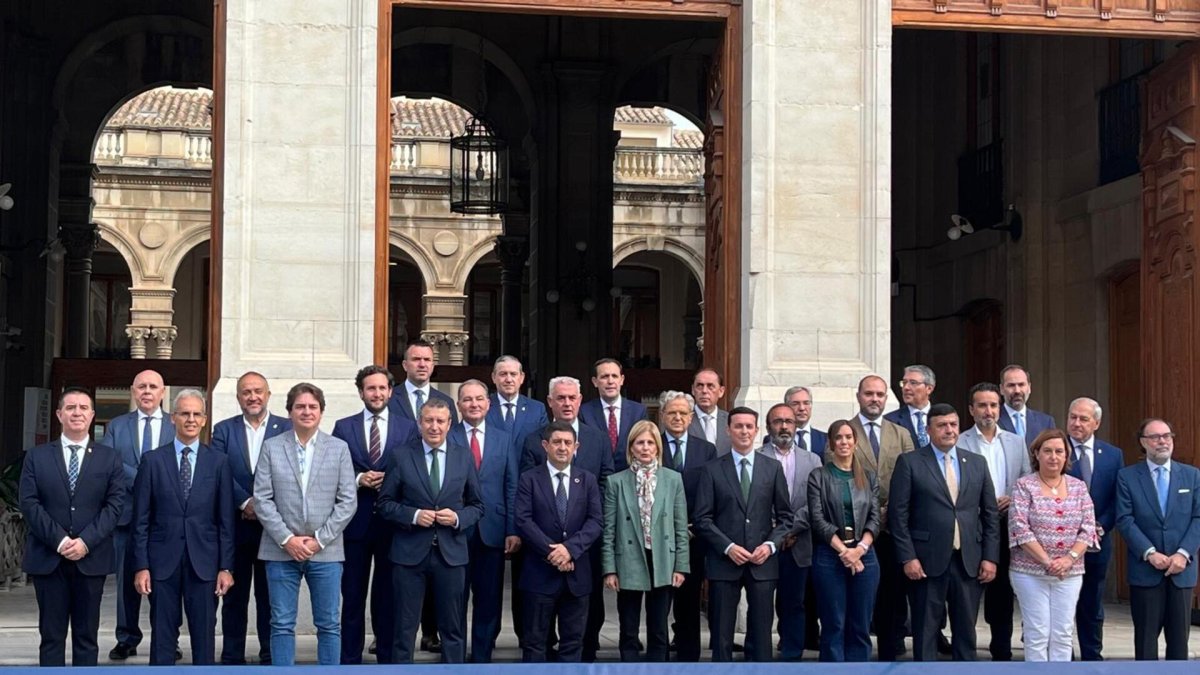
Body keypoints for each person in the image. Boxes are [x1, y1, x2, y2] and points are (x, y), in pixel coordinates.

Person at [253, 383, 357, 666]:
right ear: (289, 412)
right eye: (300, 406)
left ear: (321, 412)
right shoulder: (272, 448)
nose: (307, 412)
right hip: (280, 550)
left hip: (325, 550)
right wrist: (287, 539)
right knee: (282, 623)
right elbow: (262, 498)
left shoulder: (338, 449)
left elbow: (348, 501)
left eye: (313, 407)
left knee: (329, 624)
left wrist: (319, 539)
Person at [19, 387, 124, 666]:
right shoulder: (37, 456)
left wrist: (85, 541)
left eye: (83, 408)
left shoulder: (109, 457)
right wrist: (61, 541)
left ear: (92, 415)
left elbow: (114, 506)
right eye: (70, 408)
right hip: (49, 558)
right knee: (51, 636)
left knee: (86, 637)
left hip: (91, 559)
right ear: (59, 414)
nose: (77, 412)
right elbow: (29, 503)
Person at [376, 397, 484, 664]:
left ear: (450, 424)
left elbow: (477, 505)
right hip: (409, 555)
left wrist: (457, 518)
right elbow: (385, 504)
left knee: (453, 628)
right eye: (429, 420)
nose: (434, 426)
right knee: (404, 627)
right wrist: (413, 515)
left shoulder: (463, 456)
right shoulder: (401, 456)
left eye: (440, 421)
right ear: (419, 423)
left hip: (451, 555)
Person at [889, 402, 999, 661]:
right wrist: (908, 557)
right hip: (925, 561)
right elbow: (898, 515)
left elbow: (990, 514)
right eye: (942, 425)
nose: (949, 430)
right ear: (928, 430)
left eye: (953, 425)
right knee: (926, 631)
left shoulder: (976, 463)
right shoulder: (910, 462)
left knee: (966, 633)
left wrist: (990, 557)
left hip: (968, 561)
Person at [131, 389, 235, 665]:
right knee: (163, 634)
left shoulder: (219, 462)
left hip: (205, 562)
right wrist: (141, 566)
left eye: (196, 414)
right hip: (162, 561)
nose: (190, 419)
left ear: (204, 420)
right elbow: (141, 519)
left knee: (204, 635)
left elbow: (226, 520)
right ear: (173, 418)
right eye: (184, 413)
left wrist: (226, 567)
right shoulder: (153, 461)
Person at [519, 375, 614, 661]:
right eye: (556, 442)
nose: (562, 447)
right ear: (545, 446)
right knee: (536, 644)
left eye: (567, 443)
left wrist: (570, 549)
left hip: (578, 569)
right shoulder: (529, 478)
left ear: (577, 448)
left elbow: (596, 520)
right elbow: (524, 519)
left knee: (575, 643)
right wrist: (553, 551)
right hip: (540, 569)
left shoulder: (586, 479)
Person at [693, 406, 793, 662]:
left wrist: (770, 545)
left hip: (762, 563)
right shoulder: (712, 469)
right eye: (738, 426)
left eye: (749, 426)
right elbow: (702, 519)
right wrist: (728, 547)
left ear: (758, 430)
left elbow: (785, 518)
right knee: (722, 637)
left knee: (761, 637)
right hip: (725, 562)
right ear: (728, 430)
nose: (744, 431)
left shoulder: (771, 468)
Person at [331, 365, 417, 664]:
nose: (377, 393)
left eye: (382, 388)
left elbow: (413, 470)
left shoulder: (408, 428)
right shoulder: (344, 427)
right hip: (355, 523)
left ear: (391, 392)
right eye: (371, 388)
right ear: (361, 392)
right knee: (352, 596)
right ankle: (349, 660)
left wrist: (389, 480)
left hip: (393, 526)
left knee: (387, 596)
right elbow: (335, 469)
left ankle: (386, 658)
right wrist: (359, 479)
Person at [210, 371, 291, 665]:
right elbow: (219, 472)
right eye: (246, 392)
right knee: (234, 597)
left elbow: (292, 474)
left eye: (258, 391)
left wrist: (265, 506)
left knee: (271, 598)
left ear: (268, 395)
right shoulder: (222, 430)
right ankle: (232, 656)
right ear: (238, 397)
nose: (252, 396)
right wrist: (245, 501)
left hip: (275, 530)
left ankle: (270, 655)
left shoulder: (287, 428)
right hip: (236, 527)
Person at [388, 340, 457, 651]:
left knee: (450, 619)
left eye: (427, 359)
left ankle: (432, 635)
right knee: (401, 617)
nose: (422, 364)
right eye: (415, 359)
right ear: (405, 364)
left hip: (445, 534)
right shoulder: (391, 398)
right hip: (403, 504)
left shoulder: (444, 400)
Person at [601, 420, 689, 662]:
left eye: (650, 442)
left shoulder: (673, 479)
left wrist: (681, 565)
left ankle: (658, 665)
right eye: (640, 442)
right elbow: (609, 529)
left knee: (659, 623)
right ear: (631, 448)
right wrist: (609, 568)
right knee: (628, 624)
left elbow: (680, 526)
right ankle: (628, 665)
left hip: (662, 557)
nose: (645, 448)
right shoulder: (616, 482)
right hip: (629, 557)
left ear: (658, 448)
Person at [1007, 429, 1097, 662]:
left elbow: (1088, 528)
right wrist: (1048, 562)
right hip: (1029, 572)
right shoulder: (1024, 486)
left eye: (1059, 451)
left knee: (1063, 633)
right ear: (1036, 454)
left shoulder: (1078, 487)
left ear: (1066, 456)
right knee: (1037, 633)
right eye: (1047, 451)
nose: (1053, 457)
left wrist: (1068, 560)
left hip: (1070, 572)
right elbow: (1019, 528)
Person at [957, 382, 1031, 661]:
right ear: (971, 410)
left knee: (1001, 591)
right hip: (971, 525)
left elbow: (1025, 478)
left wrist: (1011, 497)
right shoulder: (961, 440)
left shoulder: (1015, 441)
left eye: (993, 405)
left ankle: (1001, 649)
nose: (988, 411)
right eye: (982, 405)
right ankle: (965, 650)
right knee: (969, 589)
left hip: (1005, 524)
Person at [1116, 418, 1200, 660]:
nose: (1162, 441)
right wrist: (1150, 553)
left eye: (1167, 436)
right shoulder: (1127, 477)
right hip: (1146, 571)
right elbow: (1125, 519)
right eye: (1155, 437)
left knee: (1179, 644)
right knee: (1145, 643)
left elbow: (1198, 517)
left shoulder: (1192, 476)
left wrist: (1184, 554)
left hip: (1181, 572)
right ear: (1143, 442)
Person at [842, 374, 914, 660]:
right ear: (859, 396)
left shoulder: (901, 434)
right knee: (858, 591)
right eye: (869, 394)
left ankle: (891, 646)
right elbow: (836, 477)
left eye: (880, 395)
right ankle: (856, 648)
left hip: (893, 527)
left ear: (887, 399)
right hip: (856, 528)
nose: (874, 399)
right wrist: (870, 511)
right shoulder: (845, 432)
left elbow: (912, 476)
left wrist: (891, 510)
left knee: (893, 591)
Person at [105, 369, 174, 661]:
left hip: (167, 518)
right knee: (125, 582)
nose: (147, 391)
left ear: (162, 392)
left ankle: (168, 637)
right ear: (133, 391)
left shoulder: (176, 423)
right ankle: (127, 637)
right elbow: (109, 465)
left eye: (153, 387)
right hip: (126, 517)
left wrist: (158, 480)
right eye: (141, 386)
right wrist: (148, 477)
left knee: (167, 581)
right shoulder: (117, 426)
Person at [447, 379, 518, 662]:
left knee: (488, 600)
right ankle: (454, 657)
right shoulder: (448, 435)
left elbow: (511, 485)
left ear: (489, 404)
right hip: (455, 531)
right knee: (454, 599)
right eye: (467, 399)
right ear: (458, 405)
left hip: (493, 530)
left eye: (479, 399)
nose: (473, 404)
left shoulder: (504, 438)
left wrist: (512, 529)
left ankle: (481, 657)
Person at [486, 355, 548, 646]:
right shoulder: (482, 405)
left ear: (522, 378)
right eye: (503, 374)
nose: (508, 379)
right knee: (488, 581)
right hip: (489, 499)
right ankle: (486, 637)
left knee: (526, 577)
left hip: (528, 500)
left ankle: (527, 636)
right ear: (494, 378)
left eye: (513, 374)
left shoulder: (536, 410)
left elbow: (540, 451)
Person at [807, 420, 880, 662]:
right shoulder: (819, 476)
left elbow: (875, 518)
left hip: (865, 555)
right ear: (830, 443)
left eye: (849, 437)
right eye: (838, 437)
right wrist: (844, 552)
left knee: (861, 623)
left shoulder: (868, 478)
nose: (844, 442)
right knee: (833, 622)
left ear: (856, 443)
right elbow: (818, 520)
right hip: (830, 555)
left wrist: (859, 550)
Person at [757, 402, 821, 661]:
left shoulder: (813, 460)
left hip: (799, 542)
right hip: (764, 543)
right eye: (777, 421)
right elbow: (755, 502)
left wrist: (790, 529)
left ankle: (792, 654)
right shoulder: (758, 457)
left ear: (797, 426)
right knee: (761, 604)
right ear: (768, 426)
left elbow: (815, 502)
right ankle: (758, 651)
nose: (784, 426)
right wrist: (776, 533)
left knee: (795, 602)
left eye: (789, 421)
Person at [656, 390, 717, 662]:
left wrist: (693, 526)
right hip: (656, 537)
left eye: (683, 413)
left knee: (689, 601)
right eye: (672, 412)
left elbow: (709, 493)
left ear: (691, 417)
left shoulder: (706, 450)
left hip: (693, 537)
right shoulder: (650, 443)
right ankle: (656, 655)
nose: (677, 417)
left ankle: (688, 656)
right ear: (662, 416)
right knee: (658, 601)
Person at [1064, 397, 1123, 661]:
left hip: (1097, 541)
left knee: (1092, 600)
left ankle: (1091, 655)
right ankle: (1062, 655)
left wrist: (1101, 525)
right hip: (1060, 542)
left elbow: (1116, 498)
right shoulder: (1055, 447)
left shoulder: (1112, 454)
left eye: (1083, 418)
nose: (1076, 423)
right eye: (1072, 417)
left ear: (1096, 423)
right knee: (1062, 602)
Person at [580, 358, 649, 472]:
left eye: (614, 376)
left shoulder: (638, 412)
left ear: (621, 380)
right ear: (595, 382)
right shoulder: (584, 412)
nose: (610, 381)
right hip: (596, 481)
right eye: (604, 376)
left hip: (629, 480)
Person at [997, 365, 1056, 445]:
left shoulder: (1045, 422)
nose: (1017, 391)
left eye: (1021, 385)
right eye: (1011, 385)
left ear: (1029, 388)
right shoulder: (993, 420)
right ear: (1001, 389)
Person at [884, 364, 935, 449]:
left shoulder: (943, 418)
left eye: (913, 383)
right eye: (904, 383)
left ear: (929, 388)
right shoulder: (889, 421)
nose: (906, 387)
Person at [688, 368, 731, 455]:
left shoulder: (730, 421)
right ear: (693, 390)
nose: (704, 391)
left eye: (710, 386)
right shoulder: (684, 420)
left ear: (721, 391)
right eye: (700, 386)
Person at [783, 386, 827, 456]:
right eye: (795, 404)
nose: (802, 408)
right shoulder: (774, 439)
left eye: (806, 403)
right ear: (786, 407)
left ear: (811, 406)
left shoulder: (825, 439)